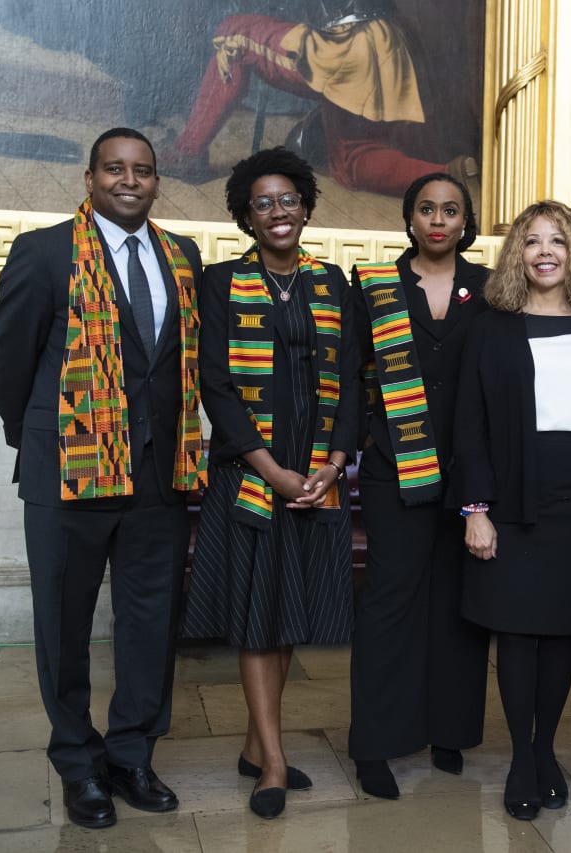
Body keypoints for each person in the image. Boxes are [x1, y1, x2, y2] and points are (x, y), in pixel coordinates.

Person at [0, 128, 206, 829]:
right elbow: (10, 364)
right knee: (63, 624)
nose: (130, 180)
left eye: (143, 170)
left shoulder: (183, 255)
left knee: (149, 622)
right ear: (89, 178)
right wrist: (42, 439)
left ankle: (132, 754)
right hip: (68, 474)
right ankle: (78, 763)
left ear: (156, 181)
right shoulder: (45, 252)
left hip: (157, 476)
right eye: (115, 168)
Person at [181, 147, 360, 819]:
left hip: (316, 475)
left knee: (286, 612)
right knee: (259, 619)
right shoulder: (221, 283)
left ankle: (260, 745)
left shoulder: (334, 283)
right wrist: (274, 470)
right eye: (264, 203)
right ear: (245, 216)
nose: (279, 211)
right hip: (252, 474)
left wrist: (332, 465)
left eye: (289, 200)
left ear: (307, 207)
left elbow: (351, 384)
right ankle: (276, 762)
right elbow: (216, 387)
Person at [453, 200, 571, 821]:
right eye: (531, 241)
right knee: (516, 632)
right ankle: (522, 760)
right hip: (511, 500)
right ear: (516, 255)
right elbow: (468, 426)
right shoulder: (490, 328)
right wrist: (476, 508)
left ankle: (546, 750)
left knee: (559, 635)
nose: (545, 251)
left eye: (558, 240)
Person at [347, 172, 491, 799]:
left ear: (466, 222)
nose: (438, 219)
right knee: (389, 602)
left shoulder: (491, 289)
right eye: (426, 209)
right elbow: (354, 374)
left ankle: (449, 732)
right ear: (408, 220)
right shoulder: (375, 284)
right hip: (393, 467)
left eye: (451, 210)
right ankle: (376, 744)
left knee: (458, 601)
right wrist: (366, 441)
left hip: (469, 469)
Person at [160, 3, 476, 195]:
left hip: (344, 45)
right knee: (351, 161)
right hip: (389, 46)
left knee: (234, 34)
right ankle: (446, 174)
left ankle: (188, 152)